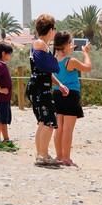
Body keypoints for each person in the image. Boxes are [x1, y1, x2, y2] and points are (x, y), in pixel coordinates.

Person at [26, 14, 69, 167]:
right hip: (40, 89)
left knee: (43, 121)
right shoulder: (40, 44)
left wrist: (59, 84)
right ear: (50, 29)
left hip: (41, 87)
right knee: (49, 121)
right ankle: (42, 155)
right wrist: (56, 57)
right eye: (54, 29)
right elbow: (49, 66)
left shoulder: (41, 46)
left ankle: (41, 153)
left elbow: (47, 71)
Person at [51, 31, 92, 167]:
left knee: (59, 128)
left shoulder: (53, 60)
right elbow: (88, 67)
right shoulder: (71, 61)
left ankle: (59, 156)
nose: (72, 45)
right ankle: (66, 158)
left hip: (57, 94)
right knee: (68, 129)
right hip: (70, 95)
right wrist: (85, 53)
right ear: (65, 45)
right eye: (70, 42)